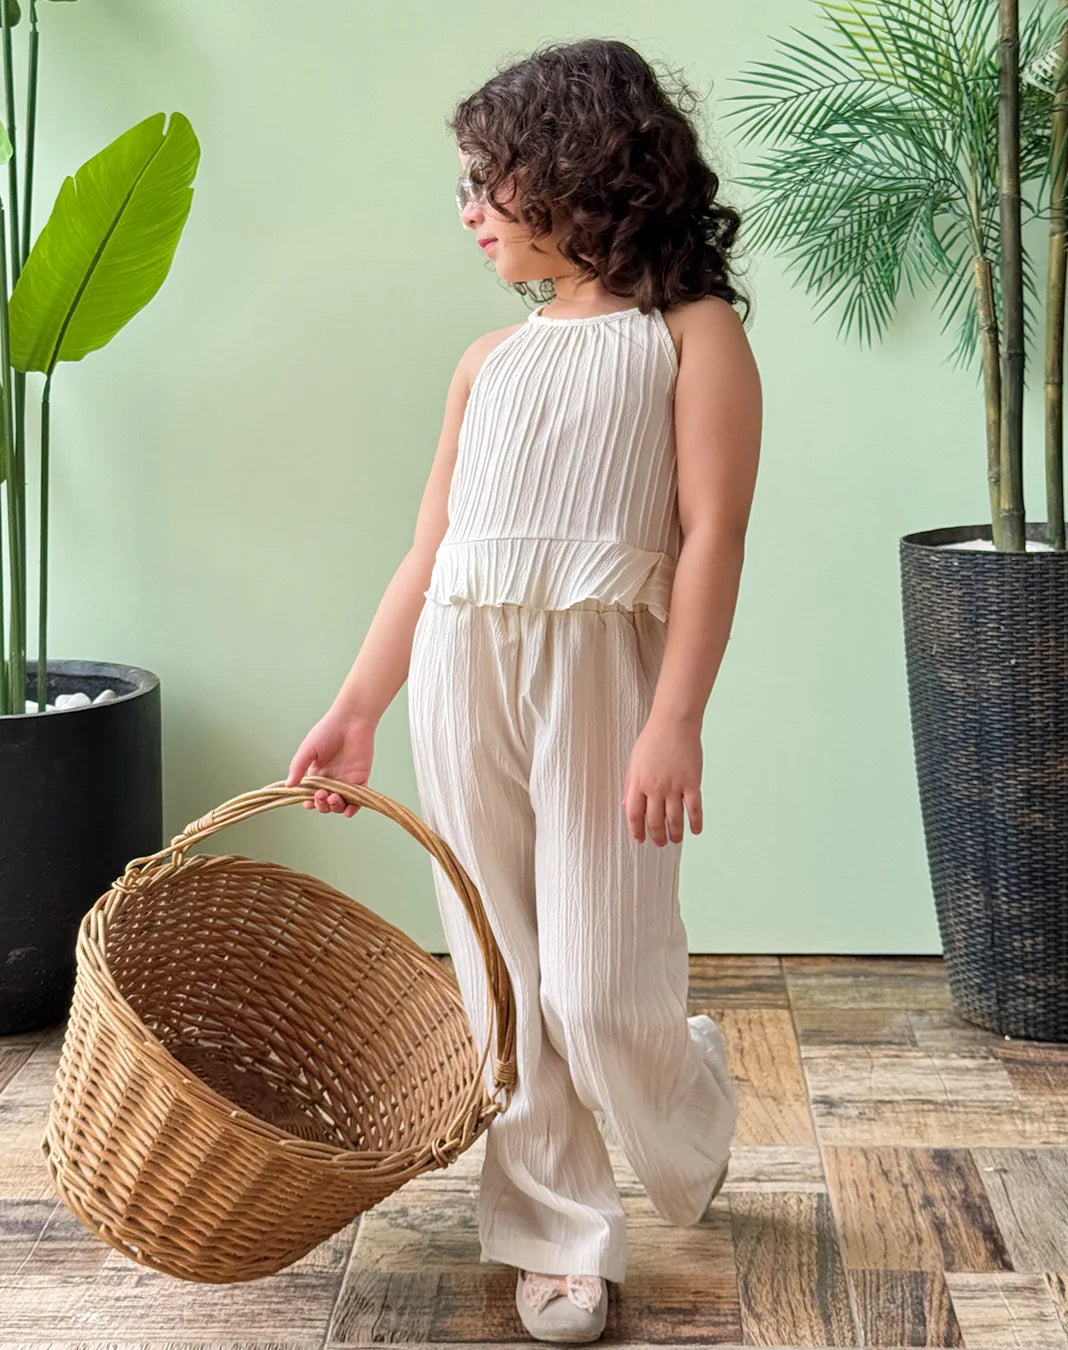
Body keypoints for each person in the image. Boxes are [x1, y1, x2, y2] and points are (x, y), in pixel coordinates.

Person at [285, 36, 761, 1344]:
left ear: (579, 169)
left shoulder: (691, 333)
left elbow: (713, 535)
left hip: (605, 682)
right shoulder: (487, 364)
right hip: (460, 670)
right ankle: (559, 1233)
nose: (470, 214)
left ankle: (688, 1092)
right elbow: (428, 555)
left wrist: (677, 719)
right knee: (502, 980)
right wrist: (359, 702)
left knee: (599, 989)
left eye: (488, 182)